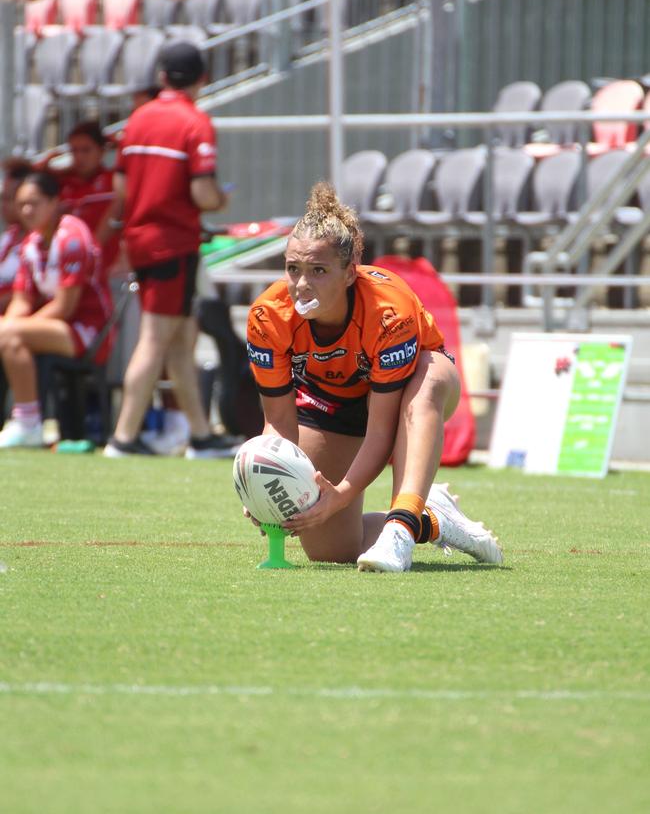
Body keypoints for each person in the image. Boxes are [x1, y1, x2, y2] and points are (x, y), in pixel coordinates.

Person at [245, 182, 503, 572]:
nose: (301, 285)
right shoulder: (268, 316)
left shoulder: (388, 309)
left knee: (427, 381)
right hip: (331, 402)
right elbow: (279, 422)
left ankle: (402, 524)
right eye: (293, 269)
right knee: (331, 550)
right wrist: (264, 487)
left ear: (350, 273)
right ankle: (432, 517)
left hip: (407, 394)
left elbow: (382, 428)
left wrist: (343, 493)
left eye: (318, 270)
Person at [104, 40, 231, 458]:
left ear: (161, 77)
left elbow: (121, 186)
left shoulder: (138, 119)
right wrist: (219, 200)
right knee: (156, 338)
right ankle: (123, 438)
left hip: (140, 240)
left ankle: (201, 435)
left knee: (179, 338)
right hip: (172, 243)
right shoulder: (194, 122)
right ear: (202, 78)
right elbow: (202, 191)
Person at [0, 171, 113, 449]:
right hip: (54, 328)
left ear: (55, 202)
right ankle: (24, 422)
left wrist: (12, 330)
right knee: (7, 333)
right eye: (21, 203)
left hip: (88, 332)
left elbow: (65, 306)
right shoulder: (31, 242)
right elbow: (21, 301)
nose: (26, 210)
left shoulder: (72, 237)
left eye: (34, 203)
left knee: (11, 335)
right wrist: (6, 327)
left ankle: (28, 424)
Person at [54, 120, 123, 273]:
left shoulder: (115, 184)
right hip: (69, 272)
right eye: (74, 151)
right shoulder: (60, 185)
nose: (79, 157)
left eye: (86, 150)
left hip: (109, 271)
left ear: (101, 151)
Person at [0, 159, 32, 314]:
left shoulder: (39, 242)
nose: (3, 205)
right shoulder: (9, 235)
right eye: (2, 198)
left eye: (8, 199)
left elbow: (30, 294)